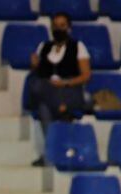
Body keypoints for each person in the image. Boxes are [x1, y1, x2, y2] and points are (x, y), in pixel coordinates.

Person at [27, 12, 91, 168]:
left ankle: (49, 154)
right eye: (55, 25)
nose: (58, 28)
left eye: (62, 25)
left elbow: (86, 76)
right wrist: (35, 65)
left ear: (68, 28)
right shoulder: (44, 47)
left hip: (70, 92)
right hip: (49, 92)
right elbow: (40, 73)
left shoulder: (78, 47)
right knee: (41, 99)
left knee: (40, 95)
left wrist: (65, 83)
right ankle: (53, 153)